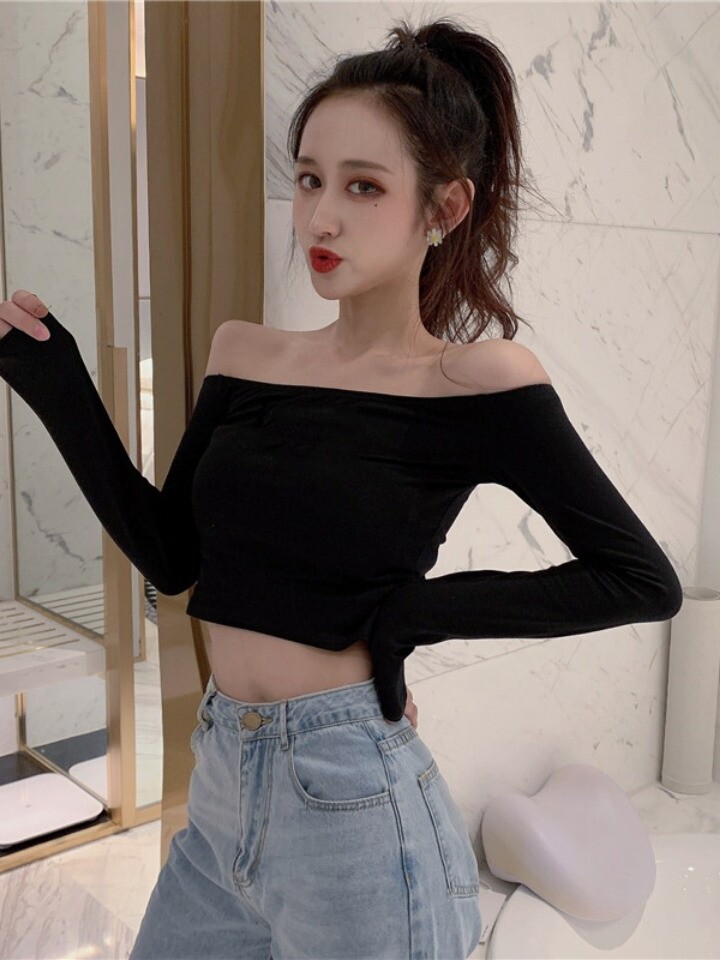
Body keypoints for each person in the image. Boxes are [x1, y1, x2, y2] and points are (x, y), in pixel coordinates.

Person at [0, 16, 682, 960]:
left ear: (444, 207)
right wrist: (56, 383)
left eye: (364, 186)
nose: (321, 217)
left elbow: (639, 579)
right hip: (221, 783)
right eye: (311, 179)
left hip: (355, 805)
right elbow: (171, 555)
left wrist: (413, 615)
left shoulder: (475, 383)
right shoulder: (245, 353)